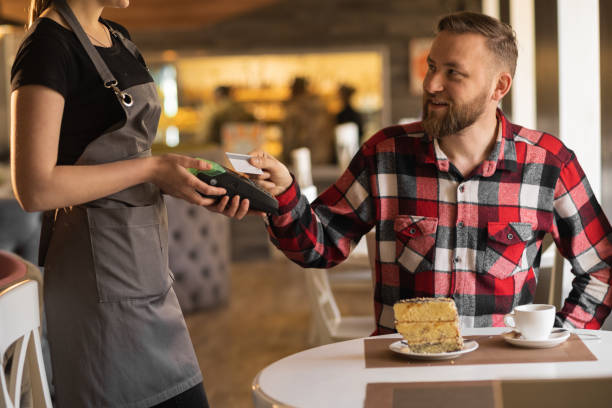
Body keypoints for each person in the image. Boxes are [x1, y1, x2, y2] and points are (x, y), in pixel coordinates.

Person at [248, 11, 612, 333]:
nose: (430, 84)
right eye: (432, 66)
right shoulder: (384, 154)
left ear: (498, 87)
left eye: (453, 73)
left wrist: (561, 338)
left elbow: (602, 268)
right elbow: (321, 246)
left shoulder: (549, 164)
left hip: (502, 376)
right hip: (402, 375)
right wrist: (283, 197)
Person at [10, 0, 250, 406]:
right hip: (96, 281)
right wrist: (152, 170)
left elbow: (128, 157)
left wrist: (183, 182)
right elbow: (34, 188)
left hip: (145, 270)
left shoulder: (117, 36)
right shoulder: (47, 47)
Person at [282, 76, 335, 165]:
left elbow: (290, 136)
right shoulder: (320, 106)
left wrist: (287, 155)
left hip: (301, 156)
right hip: (322, 156)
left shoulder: (295, 109)